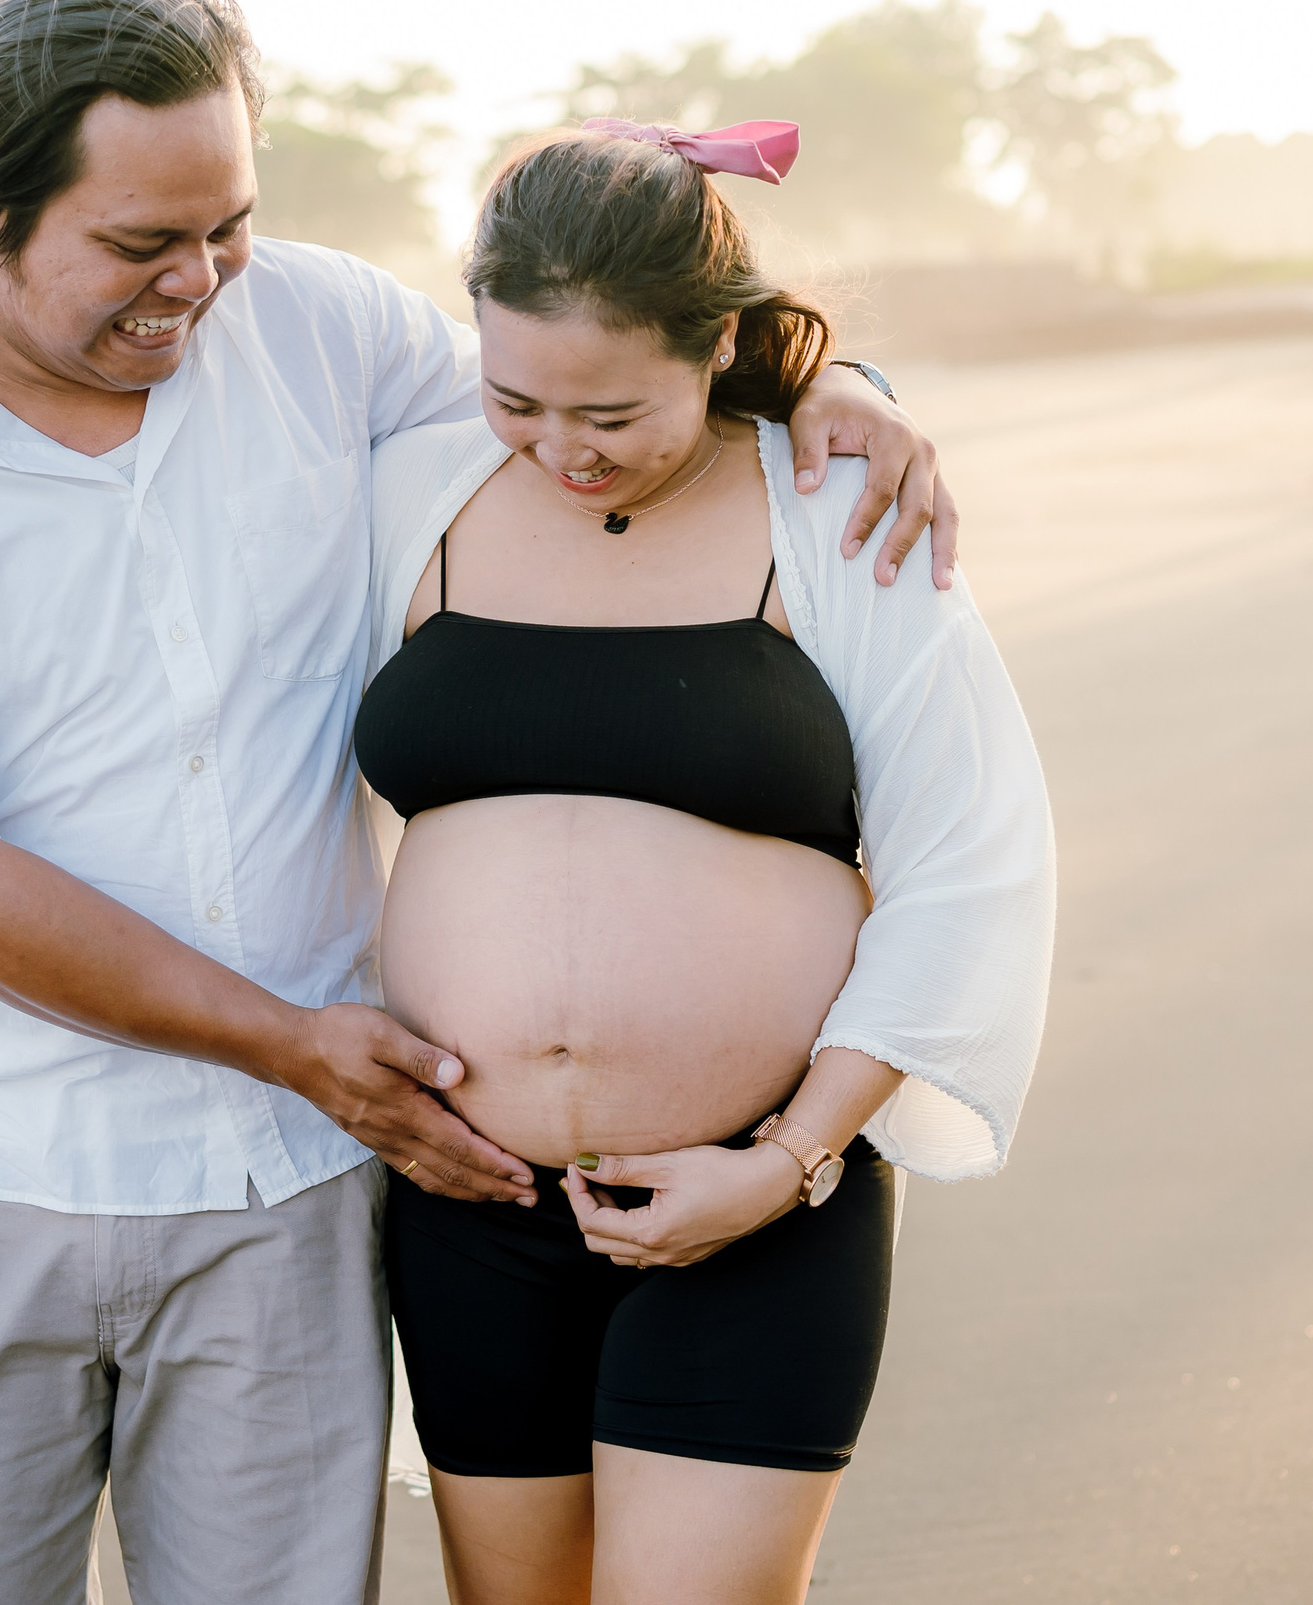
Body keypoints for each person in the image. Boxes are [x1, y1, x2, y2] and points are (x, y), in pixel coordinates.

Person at [0, 0, 955, 1605]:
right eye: (140, 243)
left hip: (290, 1197)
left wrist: (828, 382)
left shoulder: (317, 330)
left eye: (226, 223)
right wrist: (295, 1046)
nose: (197, 281)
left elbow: (592, 378)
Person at [357, 121, 1054, 1605]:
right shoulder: (408, 496)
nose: (564, 448)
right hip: (471, 1202)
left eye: (612, 412)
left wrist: (787, 1163)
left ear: (719, 345)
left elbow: (966, 862)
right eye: (516, 400)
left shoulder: (837, 514)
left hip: (759, 1202)